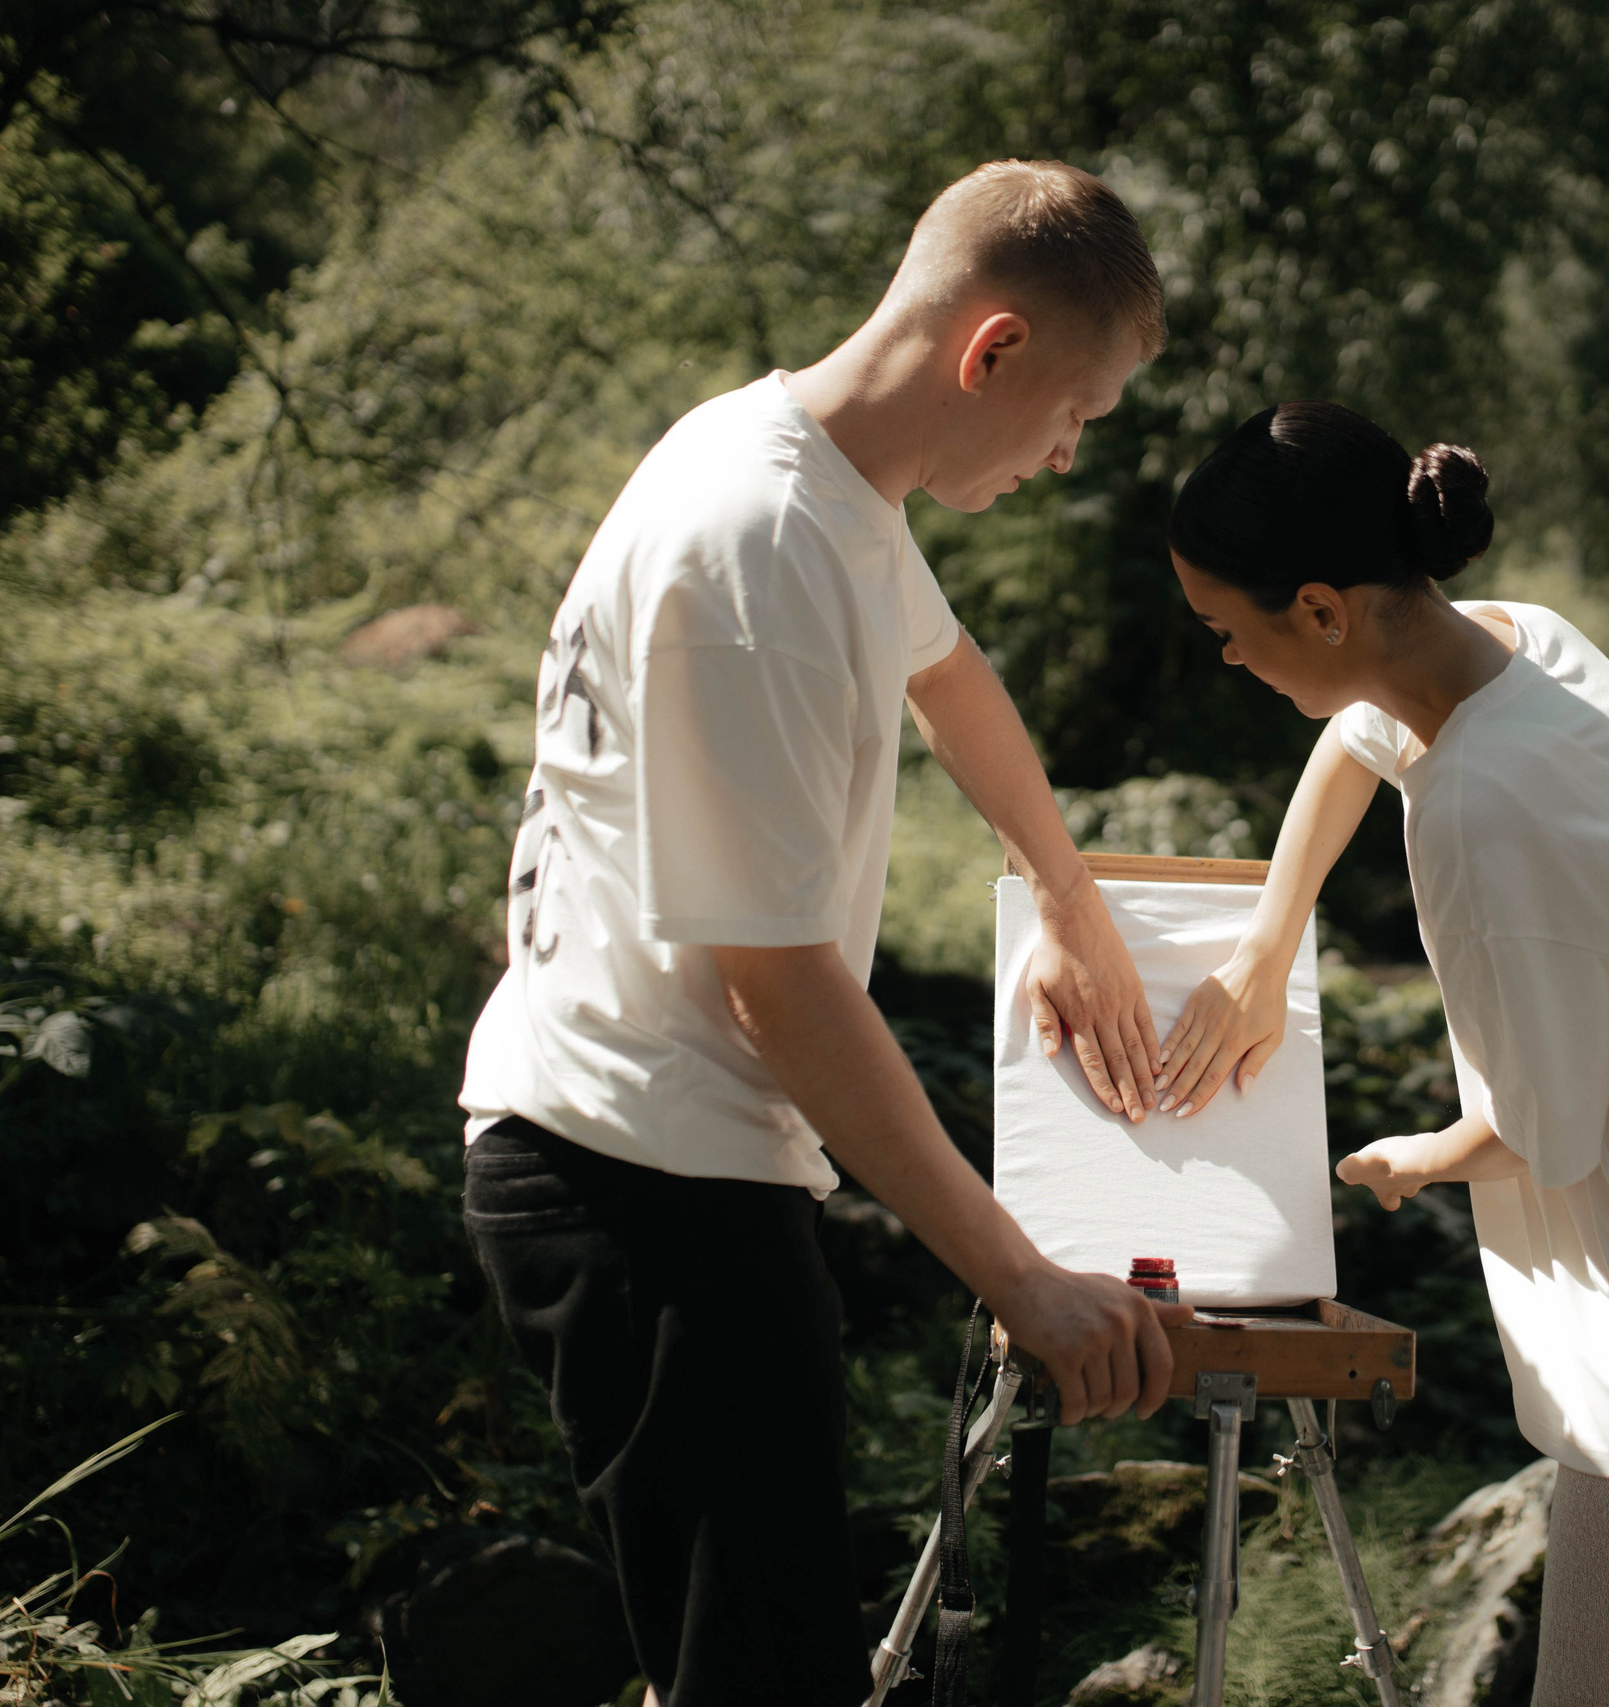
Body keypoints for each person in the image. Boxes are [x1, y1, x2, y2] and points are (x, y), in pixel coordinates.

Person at [457, 161, 1191, 1707]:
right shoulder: (761, 544)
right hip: (643, 1187)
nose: (1069, 456)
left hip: (672, 1166)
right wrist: (1022, 1279)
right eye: (1078, 413)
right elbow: (780, 992)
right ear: (993, 349)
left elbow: (949, 674)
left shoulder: (818, 481)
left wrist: (1066, 895)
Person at [1153, 402, 1609, 1705]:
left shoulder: (1486, 812)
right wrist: (1266, 942)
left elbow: (1542, 1136)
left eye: (1226, 631)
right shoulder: (1520, 643)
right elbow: (1359, 736)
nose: (1229, 659)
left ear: (1321, 610)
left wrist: (1409, 1160)